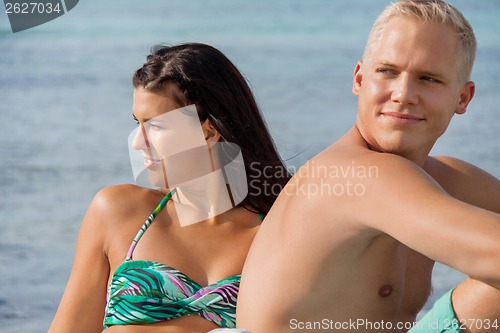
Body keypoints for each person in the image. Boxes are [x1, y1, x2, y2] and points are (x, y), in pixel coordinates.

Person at [237, 1, 500, 332]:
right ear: (360, 78)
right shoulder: (361, 175)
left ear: (463, 98)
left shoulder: (443, 179)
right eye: (387, 71)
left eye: (428, 78)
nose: (403, 94)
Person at [48, 42, 290, 333]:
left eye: (156, 126)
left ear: (209, 130)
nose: (138, 142)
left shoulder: (276, 231)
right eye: (138, 123)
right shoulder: (117, 212)